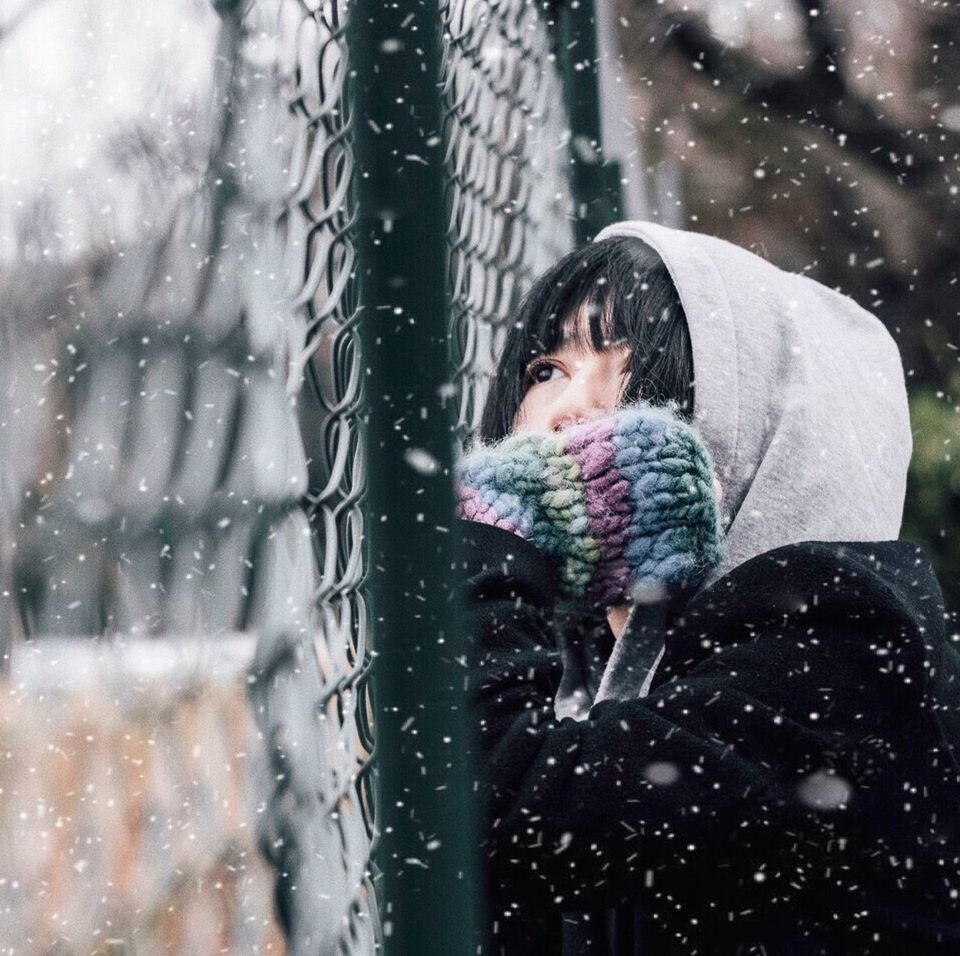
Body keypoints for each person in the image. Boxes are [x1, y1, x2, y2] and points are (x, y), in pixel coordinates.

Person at [453, 220, 960, 954]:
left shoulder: (838, 650)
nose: (564, 412)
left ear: (753, 428)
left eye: (632, 368)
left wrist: (495, 537)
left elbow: (505, 813)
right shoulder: (605, 665)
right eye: (546, 372)